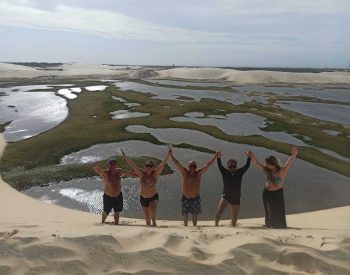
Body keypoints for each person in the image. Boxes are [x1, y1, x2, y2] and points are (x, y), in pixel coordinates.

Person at [250, 147, 298, 228]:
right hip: (267, 192)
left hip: (277, 193)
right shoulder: (267, 170)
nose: (266, 165)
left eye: (267, 164)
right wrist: (252, 156)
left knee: (278, 209)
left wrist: (294, 154)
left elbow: (288, 162)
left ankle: (279, 225)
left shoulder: (282, 170)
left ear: (272, 164)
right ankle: (269, 224)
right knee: (268, 209)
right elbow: (257, 164)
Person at [121, 148, 171, 226]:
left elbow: (163, 164)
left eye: (150, 166)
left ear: (153, 167)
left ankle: (154, 225)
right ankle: (149, 229)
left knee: (153, 212)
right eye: (147, 166)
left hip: (153, 197)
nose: (148, 167)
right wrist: (124, 156)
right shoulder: (141, 174)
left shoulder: (155, 174)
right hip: (143, 198)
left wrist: (168, 155)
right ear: (145, 167)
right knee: (147, 218)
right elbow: (133, 165)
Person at [170, 149, 219, 226]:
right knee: (185, 213)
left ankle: (194, 227)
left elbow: (207, 165)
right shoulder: (184, 172)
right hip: (185, 196)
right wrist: (171, 156)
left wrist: (215, 157)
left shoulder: (199, 173)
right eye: (190, 166)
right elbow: (177, 163)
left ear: (196, 167)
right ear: (188, 167)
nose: (192, 168)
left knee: (195, 214)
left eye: (194, 166)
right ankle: (185, 227)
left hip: (195, 197)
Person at [93, 158, 137, 225]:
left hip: (118, 196)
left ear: (116, 164)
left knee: (117, 211)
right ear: (108, 165)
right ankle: (102, 222)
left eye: (114, 163)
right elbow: (98, 170)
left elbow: (129, 173)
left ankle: (116, 224)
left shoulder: (119, 171)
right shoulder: (105, 173)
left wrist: (140, 175)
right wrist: (95, 165)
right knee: (106, 211)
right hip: (108, 197)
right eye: (111, 164)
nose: (113, 165)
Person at [215, 150, 252, 227]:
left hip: (236, 196)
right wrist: (218, 158)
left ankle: (233, 228)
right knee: (219, 212)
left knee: (234, 215)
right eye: (230, 166)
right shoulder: (224, 172)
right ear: (227, 166)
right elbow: (219, 165)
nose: (232, 168)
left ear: (236, 166)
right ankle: (216, 225)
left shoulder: (240, 172)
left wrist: (249, 157)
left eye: (234, 166)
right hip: (226, 196)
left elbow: (247, 166)